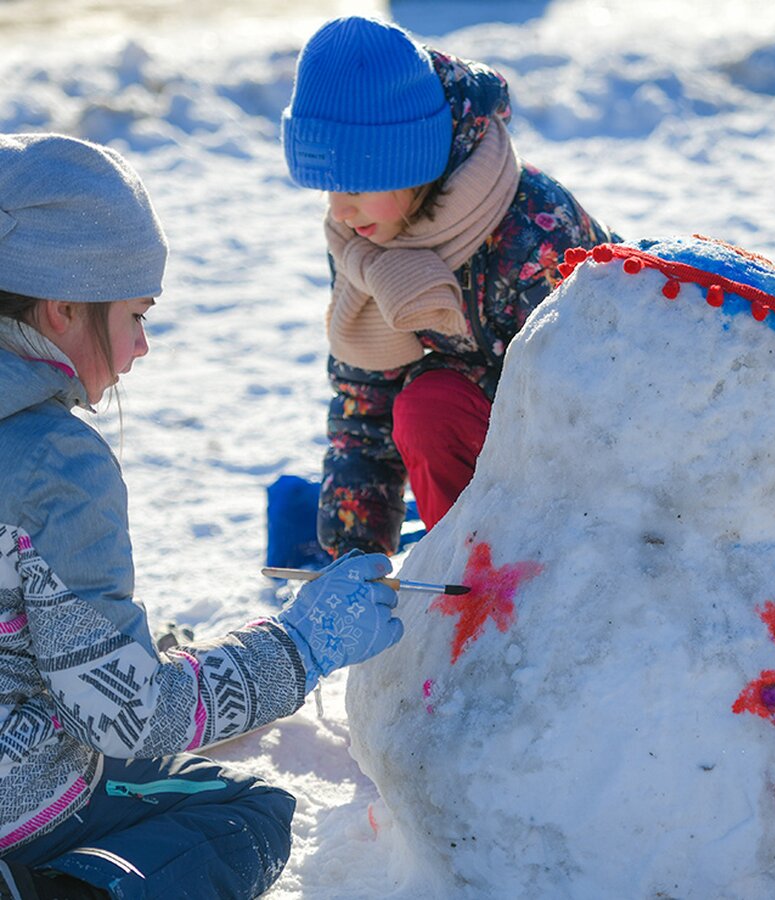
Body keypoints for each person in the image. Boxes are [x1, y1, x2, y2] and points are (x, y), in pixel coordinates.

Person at [0, 133, 405, 899]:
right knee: (245, 813)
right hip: (14, 800)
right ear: (61, 308)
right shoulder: (54, 461)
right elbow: (125, 720)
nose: (142, 347)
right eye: (134, 315)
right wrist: (298, 645)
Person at [281, 16, 618, 556]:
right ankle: (465, 575)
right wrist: (353, 554)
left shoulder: (531, 229)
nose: (339, 210)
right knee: (424, 406)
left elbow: (600, 399)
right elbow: (365, 399)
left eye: (356, 185)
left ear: (413, 160)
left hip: (590, 461)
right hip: (472, 435)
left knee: (446, 408)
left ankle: (531, 578)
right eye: (325, 189)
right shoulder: (363, 237)